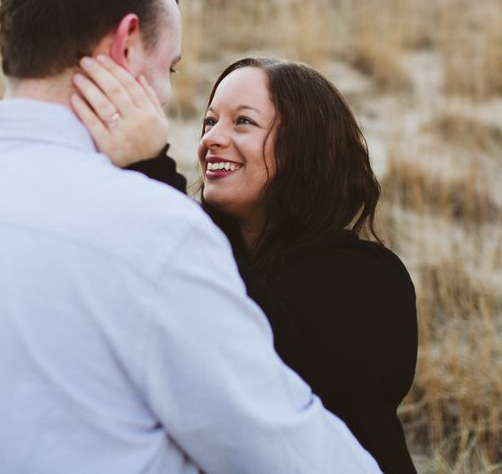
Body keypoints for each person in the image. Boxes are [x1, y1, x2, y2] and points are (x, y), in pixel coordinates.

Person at [0, 0, 381, 473]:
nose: (166, 94)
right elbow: (288, 453)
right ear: (127, 43)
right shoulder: (153, 233)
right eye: (169, 68)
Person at [72, 56, 418, 473]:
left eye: (243, 122)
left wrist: (151, 168)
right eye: (209, 121)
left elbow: (252, 348)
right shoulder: (206, 252)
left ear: (303, 146)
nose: (212, 139)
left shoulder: (370, 281)